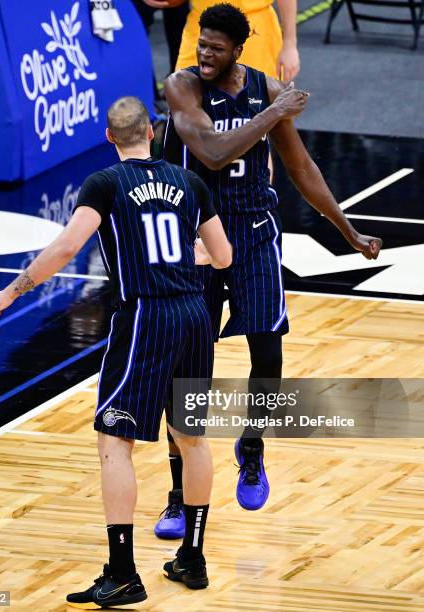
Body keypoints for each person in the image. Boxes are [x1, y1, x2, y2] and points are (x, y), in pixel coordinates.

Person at [0, 96, 233, 605]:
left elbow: (67, 248)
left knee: (113, 442)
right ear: (154, 131)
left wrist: (11, 292)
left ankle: (123, 572)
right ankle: (193, 557)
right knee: (192, 439)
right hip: (194, 314)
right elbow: (223, 255)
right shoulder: (189, 183)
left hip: (145, 317)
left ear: (108, 136)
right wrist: (190, 256)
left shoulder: (105, 183)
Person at [153, 2, 383, 539]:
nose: (203, 53)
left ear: (238, 49)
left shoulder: (266, 90)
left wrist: (347, 230)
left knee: (268, 351)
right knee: (188, 371)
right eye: (200, 44)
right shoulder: (182, 87)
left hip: (254, 231)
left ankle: (251, 446)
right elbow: (210, 153)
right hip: (199, 241)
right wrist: (272, 115)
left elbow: (301, 167)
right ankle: (176, 495)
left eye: (214, 47)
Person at [176, 0, 300, 81]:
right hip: (201, 25)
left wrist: (289, 45)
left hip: (255, 31)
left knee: (259, 109)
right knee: (185, 99)